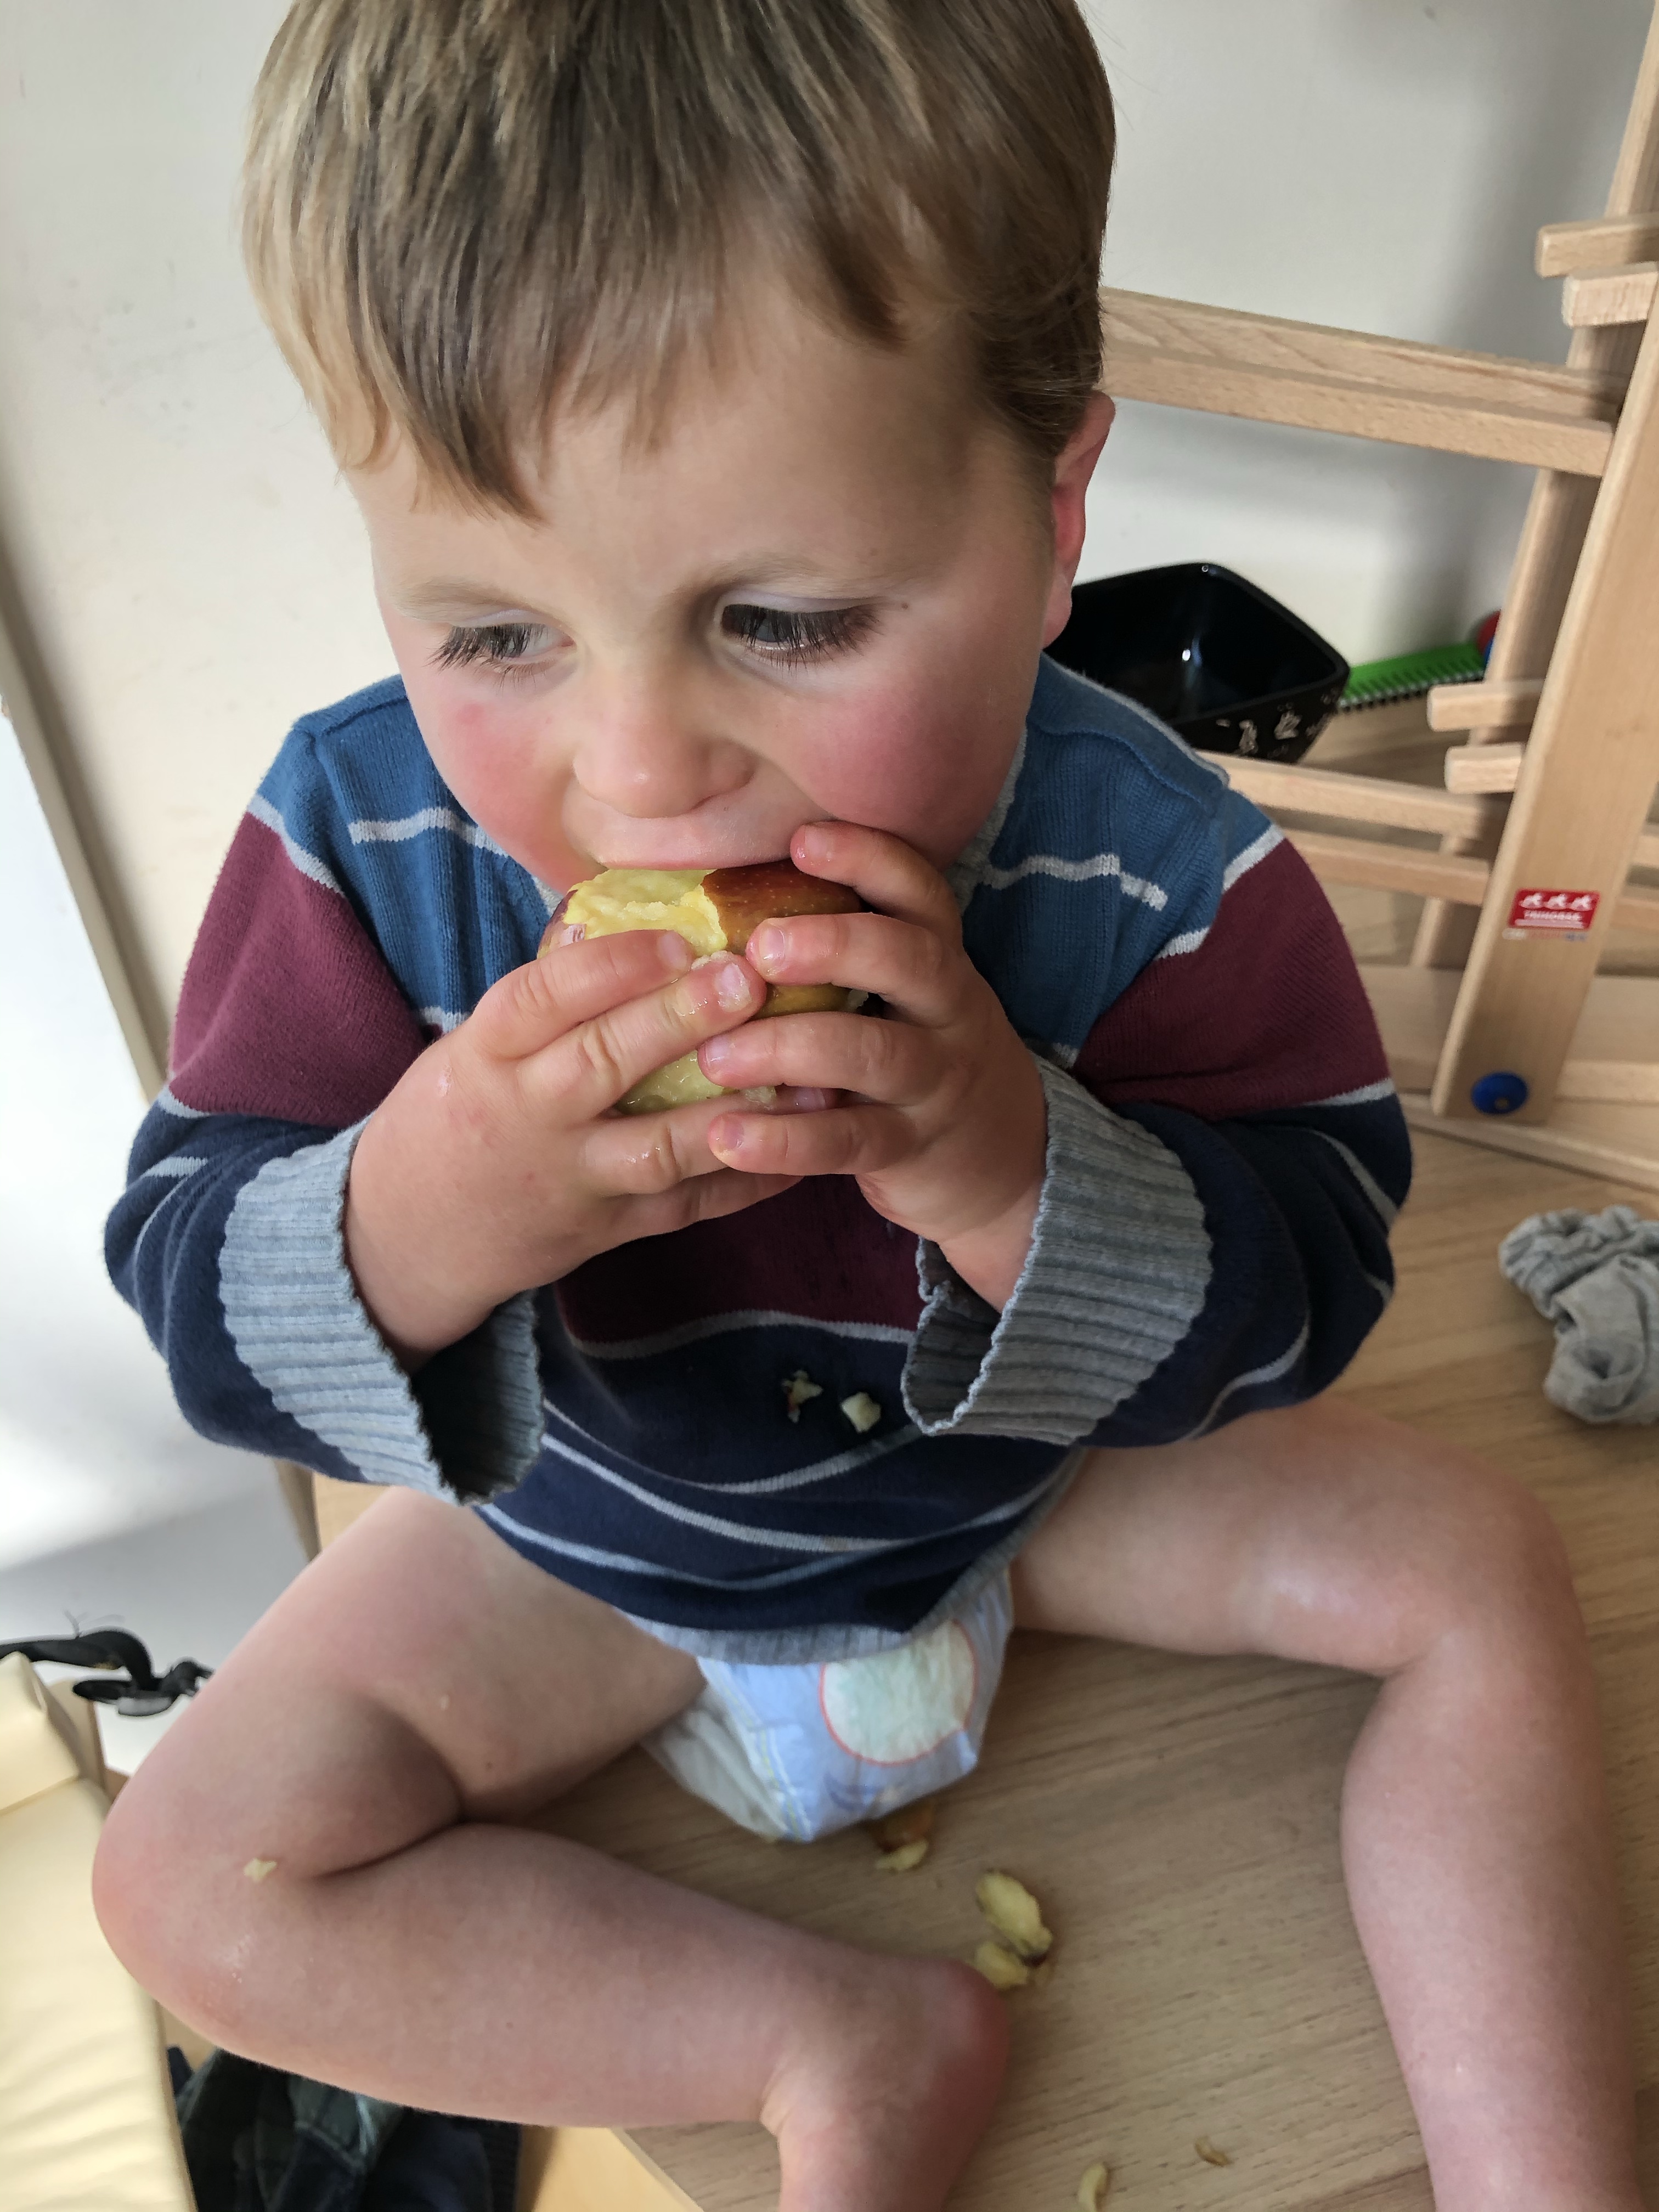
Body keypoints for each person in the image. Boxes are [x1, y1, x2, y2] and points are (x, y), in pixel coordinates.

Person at [92, 4, 1641, 2206]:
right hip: (584, 1551)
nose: (638, 771)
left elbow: (1311, 1282)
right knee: (185, 1888)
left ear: (1051, 511)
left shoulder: (1161, 873)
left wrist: (1009, 1172)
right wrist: (424, 1209)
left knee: (1478, 1567)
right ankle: (823, 2039)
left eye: (784, 618)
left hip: (1025, 1496)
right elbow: (197, 1297)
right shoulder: (362, 844)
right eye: (496, 635)